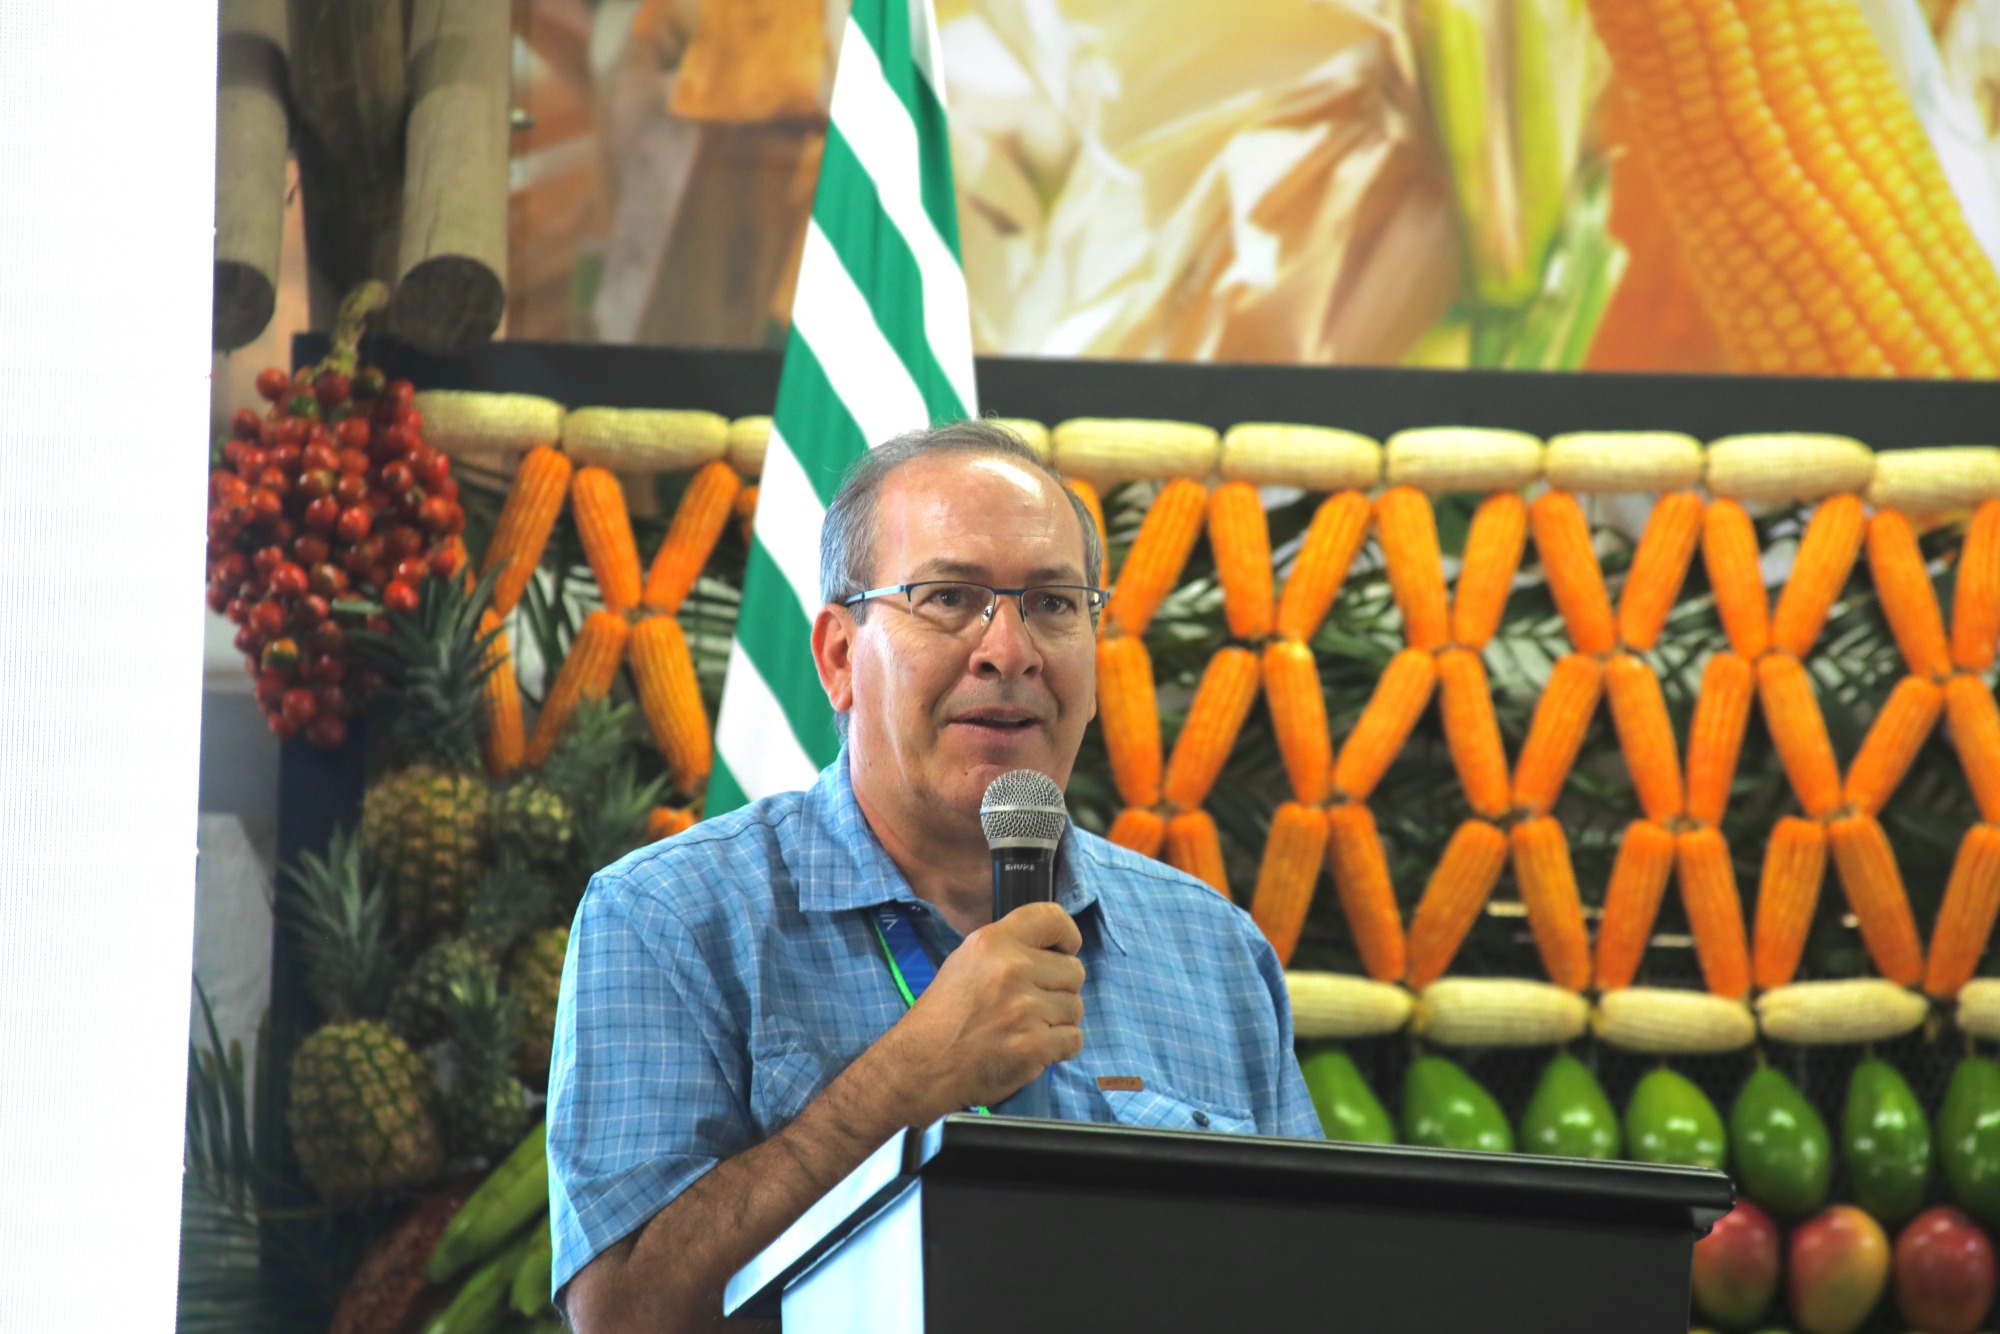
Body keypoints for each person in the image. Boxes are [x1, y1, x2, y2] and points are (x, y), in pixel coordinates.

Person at [549, 419, 1320, 1331]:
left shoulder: (1216, 952)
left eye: (1054, 603)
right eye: (950, 597)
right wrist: (902, 1084)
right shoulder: (669, 919)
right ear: (840, 657)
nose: (1010, 650)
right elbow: (622, 1314)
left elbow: (1307, 1283)